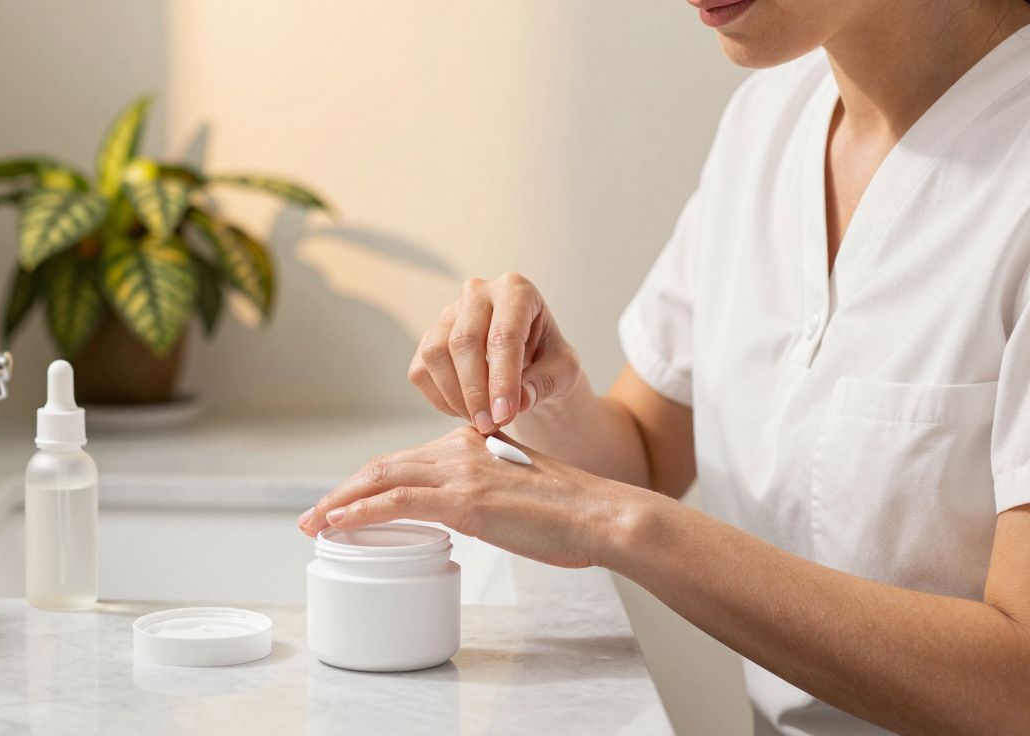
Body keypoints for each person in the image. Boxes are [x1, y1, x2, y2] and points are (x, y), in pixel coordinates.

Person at [296, 1, 1030, 733]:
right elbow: (642, 456)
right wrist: (540, 386)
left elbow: (1017, 682)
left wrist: (617, 524)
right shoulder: (768, 122)